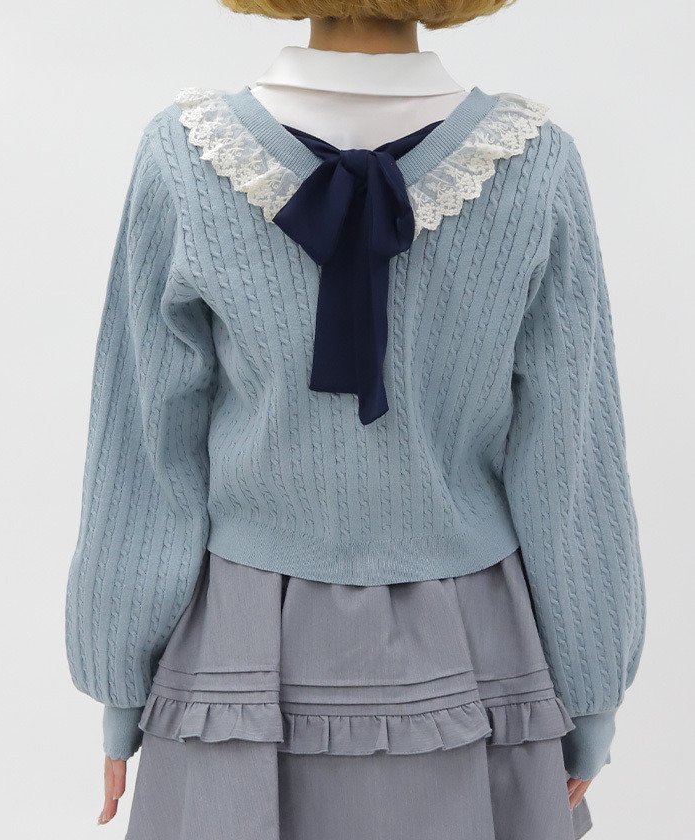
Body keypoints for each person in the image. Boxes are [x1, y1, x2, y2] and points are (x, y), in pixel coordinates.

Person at [64, 4, 646, 839]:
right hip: (472, 657)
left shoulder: (185, 157)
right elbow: (571, 458)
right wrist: (592, 694)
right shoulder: (535, 164)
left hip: (238, 657)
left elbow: (146, 446)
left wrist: (120, 678)